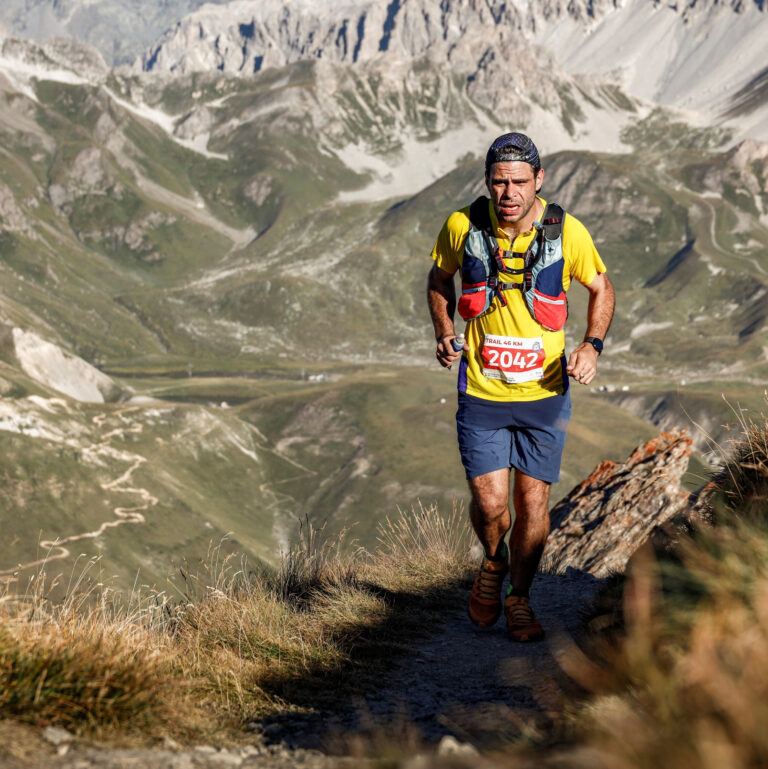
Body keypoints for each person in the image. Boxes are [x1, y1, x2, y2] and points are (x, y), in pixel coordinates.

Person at [426, 132, 614, 642]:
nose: (508, 192)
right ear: (488, 182)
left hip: (545, 394)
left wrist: (591, 345)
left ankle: (519, 599)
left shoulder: (567, 232)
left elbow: (600, 286)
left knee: (533, 506)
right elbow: (439, 280)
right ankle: (492, 562)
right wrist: (445, 331)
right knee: (492, 508)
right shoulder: (462, 225)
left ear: (540, 181)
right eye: (498, 182)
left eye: (519, 182)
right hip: (482, 391)